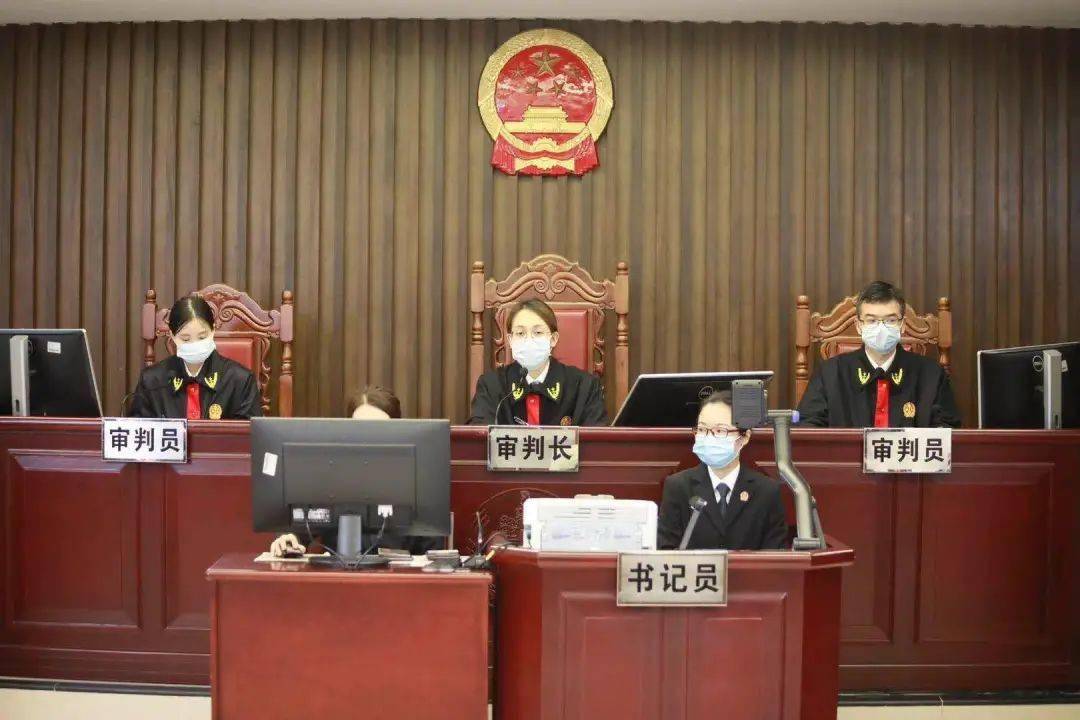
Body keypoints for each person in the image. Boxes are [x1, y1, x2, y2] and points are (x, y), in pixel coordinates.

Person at [269, 386, 443, 558]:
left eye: (379, 430)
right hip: (339, 573)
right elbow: (300, 525)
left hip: (398, 574)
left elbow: (432, 554)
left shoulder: (416, 483)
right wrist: (289, 538)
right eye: (360, 428)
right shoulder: (330, 478)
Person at [796, 280, 962, 428]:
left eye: (890, 320)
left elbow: (947, 433)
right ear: (859, 326)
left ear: (902, 325)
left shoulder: (932, 375)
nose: (881, 328)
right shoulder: (830, 374)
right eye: (872, 320)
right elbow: (807, 429)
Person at [657, 390, 788, 551]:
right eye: (702, 429)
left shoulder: (767, 492)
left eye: (720, 431)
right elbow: (665, 550)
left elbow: (776, 556)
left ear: (745, 437)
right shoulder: (678, 486)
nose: (708, 437)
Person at [467, 299, 608, 426]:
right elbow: (480, 437)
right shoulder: (491, 386)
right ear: (510, 340)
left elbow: (597, 441)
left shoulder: (585, 387)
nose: (529, 340)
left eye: (538, 333)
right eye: (520, 333)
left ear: (553, 339)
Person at [127, 295, 261, 419]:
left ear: (213, 330)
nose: (194, 344)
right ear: (172, 336)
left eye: (202, 337)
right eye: (185, 339)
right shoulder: (152, 380)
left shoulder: (241, 380)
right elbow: (138, 431)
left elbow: (250, 433)